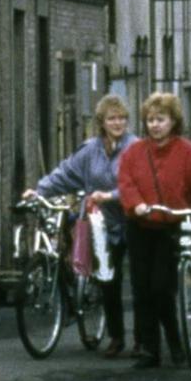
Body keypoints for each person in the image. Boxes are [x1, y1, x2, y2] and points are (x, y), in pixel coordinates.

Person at [116, 92, 191, 369]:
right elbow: (126, 183)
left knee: (162, 287)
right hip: (141, 225)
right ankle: (150, 348)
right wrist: (136, 205)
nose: (155, 125)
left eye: (160, 119)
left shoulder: (186, 150)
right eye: (150, 120)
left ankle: (173, 339)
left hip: (171, 226)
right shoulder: (134, 153)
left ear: (173, 121)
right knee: (141, 289)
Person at [24, 94, 138, 357]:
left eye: (121, 118)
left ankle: (143, 340)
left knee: (143, 284)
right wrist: (39, 190)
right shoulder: (90, 150)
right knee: (108, 278)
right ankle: (116, 338)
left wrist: (113, 196)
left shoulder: (135, 148)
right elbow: (66, 173)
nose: (117, 123)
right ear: (101, 121)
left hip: (132, 219)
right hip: (101, 222)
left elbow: (139, 185)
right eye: (112, 118)